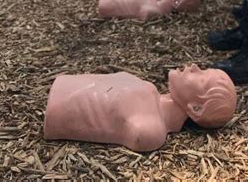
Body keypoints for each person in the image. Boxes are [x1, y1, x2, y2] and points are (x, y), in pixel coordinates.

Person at [44, 65, 236, 152]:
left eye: (202, 78)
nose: (194, 66)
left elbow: (140, 136)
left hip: (56, 111)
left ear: (195, 108)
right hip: (63, 93)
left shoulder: (151, 128)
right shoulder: (150, 94)